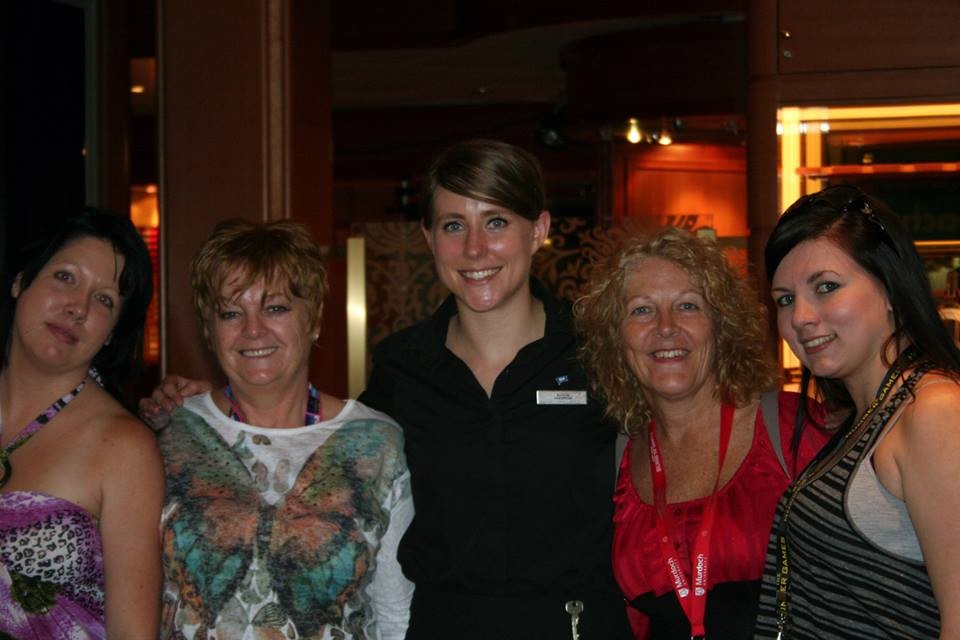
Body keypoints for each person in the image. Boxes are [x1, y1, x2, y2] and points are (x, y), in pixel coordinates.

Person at [142, 140, 631, 638]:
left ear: (539, 230)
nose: (474, 248)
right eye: (453, 225)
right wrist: (213, 405)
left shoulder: (599, 356)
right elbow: (324, 441)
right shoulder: (403, 368)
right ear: (429, 238)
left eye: (497, 222)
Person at [155, 219, 413, 639]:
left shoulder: (376, 444)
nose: (253, 330)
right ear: (208, 330)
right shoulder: (166, 433)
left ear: (313, 319)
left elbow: (395, 617)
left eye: (275, 308)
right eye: (231, 313)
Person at [574, 226, 830, 639]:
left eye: (688, 306)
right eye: (641, 310)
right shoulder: (618, 459)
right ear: (614, 337)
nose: (666, 327)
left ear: (722, 325)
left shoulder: (793, 430)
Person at [754, 185, 960, 639]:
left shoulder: (933, 411)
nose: (800, 317)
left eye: (826, 287)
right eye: (785, 299)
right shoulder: (871, 413)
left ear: (890, 288)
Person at [0, 209, 163, 638]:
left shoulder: (125, 448)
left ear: (111, 333)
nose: (77, 307)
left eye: (104, 299)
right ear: (21, 281)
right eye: (65, 277)